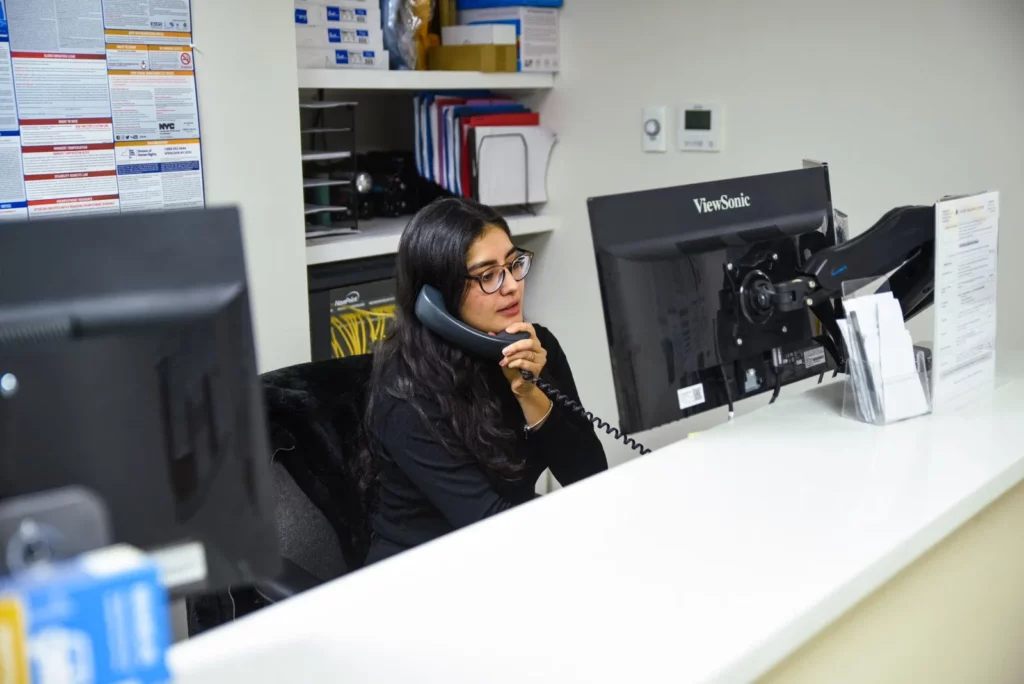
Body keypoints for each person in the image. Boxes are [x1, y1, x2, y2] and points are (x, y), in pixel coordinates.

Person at [361, 197, 608, 564]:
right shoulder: (406, 397)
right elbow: (490, 522)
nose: (511, 286)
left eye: (512, 265)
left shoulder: (532, 348)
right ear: (437, 299)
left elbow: (590, 477)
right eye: (487, 275)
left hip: (508, 551)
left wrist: (531, 395)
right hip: (422, 576)